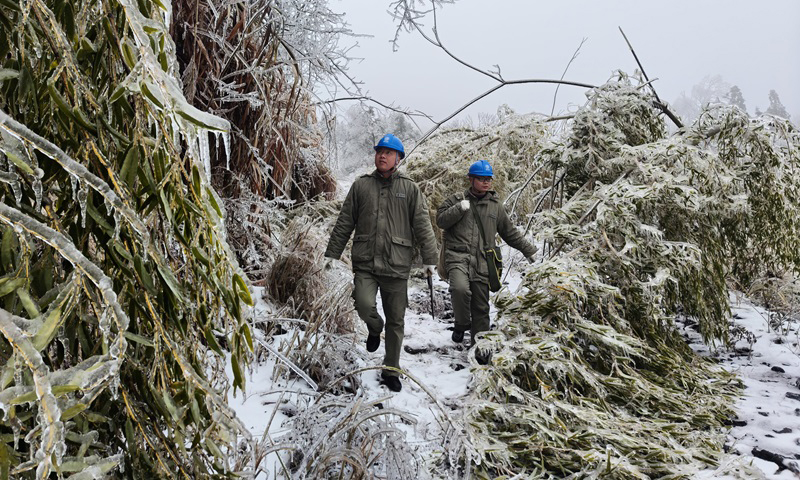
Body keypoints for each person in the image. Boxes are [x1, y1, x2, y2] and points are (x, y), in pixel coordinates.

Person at [324, 134, 438, 392]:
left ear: (398, 158)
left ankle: (391, 370)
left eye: (388, 152)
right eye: (379, 152)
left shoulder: (410, 189)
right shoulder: (361, 186)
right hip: (366, 262)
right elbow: (345, 221)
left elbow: (423, 225)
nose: (382, 156)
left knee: (396, 320)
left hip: (397, 265)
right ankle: (375, 327)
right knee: (364, 304)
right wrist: (332, 253)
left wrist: (430, 259)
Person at [436, 159, 537, 363]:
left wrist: (529, 251)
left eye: (488, 179)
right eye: (481, 179)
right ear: (471, 179)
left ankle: (480, 349)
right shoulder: (456, 200)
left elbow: (510, 233)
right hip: (457, 257)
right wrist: (459, 208)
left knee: (481, 307)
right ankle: (461, 323)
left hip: (483, 261)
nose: (486, 182)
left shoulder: (495, 207)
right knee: (459, 289)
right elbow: (441, 221)